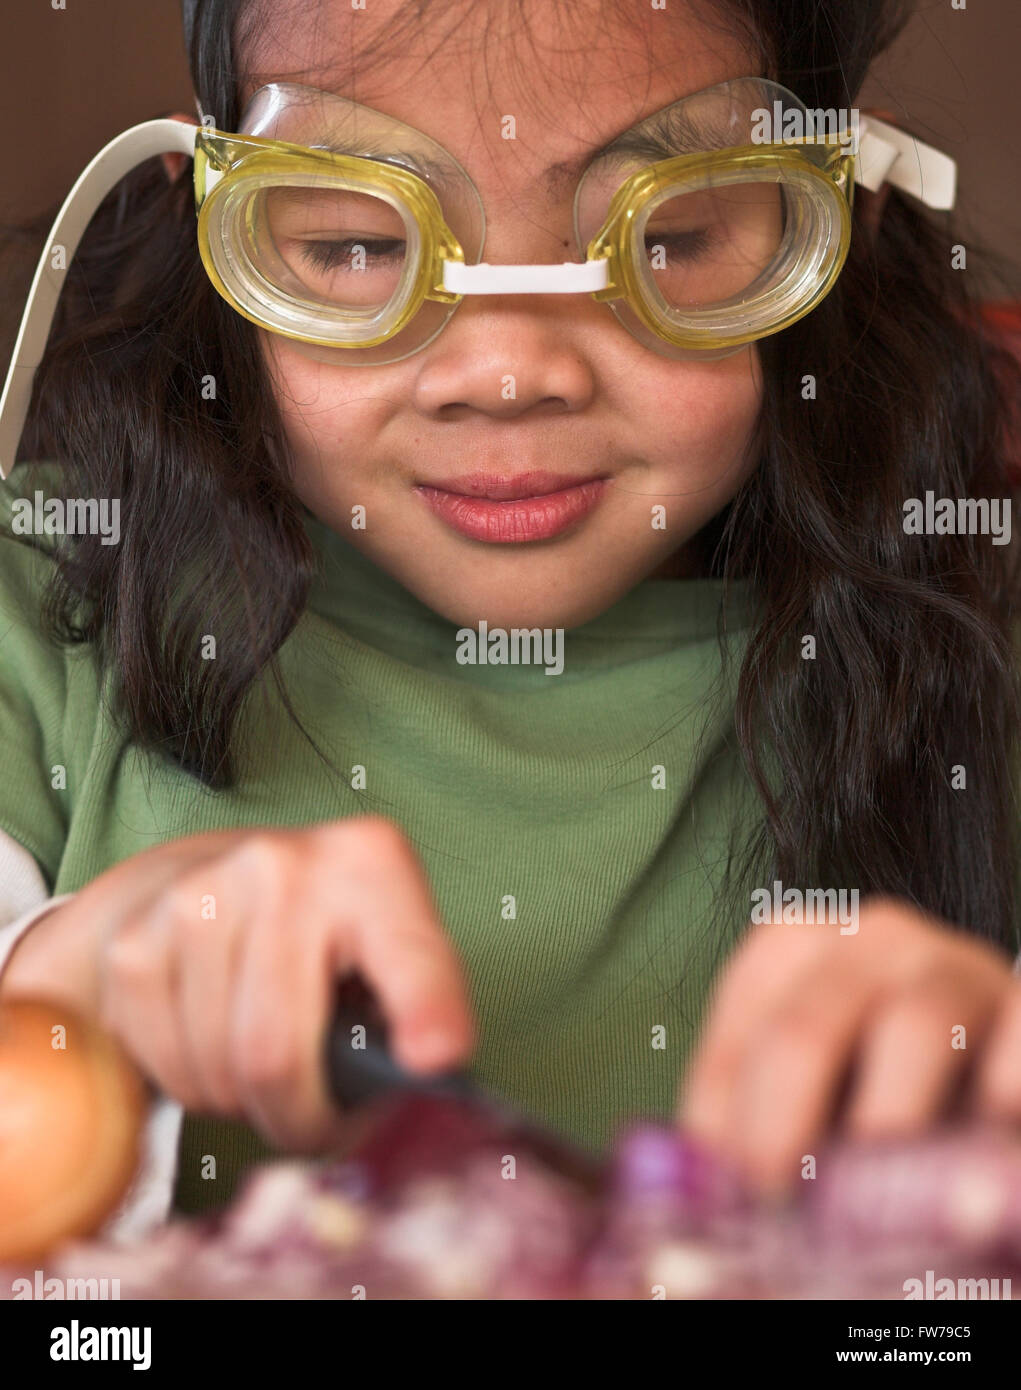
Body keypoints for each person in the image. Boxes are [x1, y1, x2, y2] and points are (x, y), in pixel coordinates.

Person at [0, 0, 1018, 1234]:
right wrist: (59, 987)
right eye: (360, 243)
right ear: (213, 215)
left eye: (671, 237)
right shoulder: (37, 604)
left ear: (835, 212)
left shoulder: (980, 654)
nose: (506, 374)